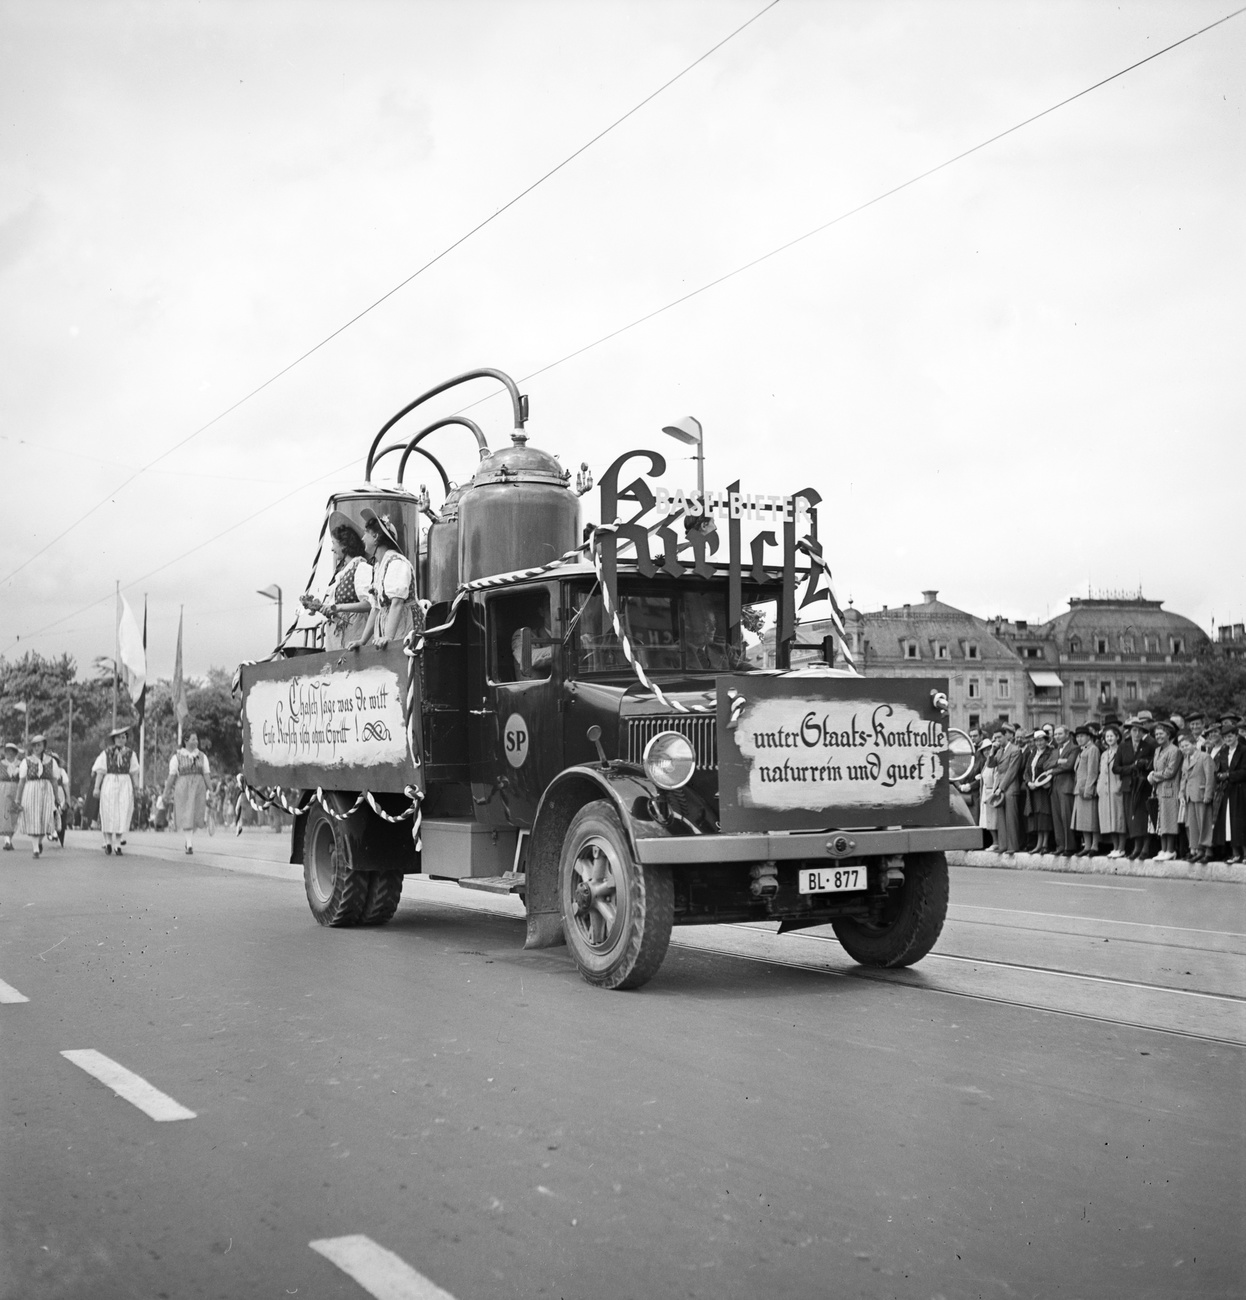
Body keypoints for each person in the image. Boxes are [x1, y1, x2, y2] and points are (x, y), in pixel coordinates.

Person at [304, 512, 372, 649]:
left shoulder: (361, 567)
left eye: (334, 543)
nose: (331, 549)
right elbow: (335, 606)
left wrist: (337, 608)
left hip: (355, 637)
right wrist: (319, 607)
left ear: (344, 545)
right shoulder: (342, 572)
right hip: (339, 639)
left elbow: (370, 604)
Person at [350, 508, 415, 650]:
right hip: (387, 629)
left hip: (403, 627)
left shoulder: (396, 563)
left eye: (366, 533)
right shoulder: (379, 567)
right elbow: (376, 608)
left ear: (376, 537)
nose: (362, 538)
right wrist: (362, 640)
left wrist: (389, 638)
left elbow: (397, 603)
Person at [91, 724, 140, 855]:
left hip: (124, 783)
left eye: (123, 737)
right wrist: (96, 788)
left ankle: (117, 844)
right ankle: (108, 842)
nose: (121, 740)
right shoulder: (106, 753)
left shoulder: (130, 754)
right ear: (113, 740)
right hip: (110, 781)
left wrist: (137, 787)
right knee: (108, 811)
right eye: (118, 738)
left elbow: (134, 772)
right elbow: (100, 771)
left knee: (122, 812)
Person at [1114, 717, 1155, 860]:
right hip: (1128, 786)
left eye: (1140, 731)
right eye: (1134, 730)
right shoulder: (1123, 746)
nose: (1137, 734)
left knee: (1143, 817)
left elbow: (1153, 764)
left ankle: (1145, 847)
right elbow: (1116, 768)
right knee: (1131, 818)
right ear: (1130, 732)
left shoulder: (1148, 746)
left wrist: (1144, 763)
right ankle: (1136, 847)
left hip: (1143, 785)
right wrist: (1131, 767)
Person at [165, 730, 210, 855]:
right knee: (186, 814)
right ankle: (189, 843)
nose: (196, 742)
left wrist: (211, 790)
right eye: (193, 739)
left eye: (196, 739)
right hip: (183, 788)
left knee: (195, 815)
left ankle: (188, 840)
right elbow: (172, 776)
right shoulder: (177, 757)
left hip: (198, 788)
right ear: (186, 740)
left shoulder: (202, 756)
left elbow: (206, 774)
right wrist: (165, 792)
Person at [16, 735, 61, 858]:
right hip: (31, 790)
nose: (36, 748)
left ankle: (39, 841)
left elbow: (54, 781)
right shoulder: (26, 761)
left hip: (46, 791)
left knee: (45, 819)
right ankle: (35, 848)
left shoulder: (51, 761)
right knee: (33, 818)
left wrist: (57, 797)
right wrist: (18, 799)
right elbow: (21, 781)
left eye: (39, 745)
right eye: (34, 745)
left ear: (44, 746)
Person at [1146, 719, 1183, 861]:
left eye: (1161, 734)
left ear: (1168, 734)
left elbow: (1170, 772)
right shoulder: (1157, 750)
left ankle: (1171, 849)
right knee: (1161, 820)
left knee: (1169, 820)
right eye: (1156, 734)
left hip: (1170, 789)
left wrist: (1153, 776)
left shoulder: (1175, 750)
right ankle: (1163, 849)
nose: (1158, 736)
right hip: (1159, 789)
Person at [1178, 731, 1215, 864]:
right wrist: (1181, 793)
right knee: (1193, 825)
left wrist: (1208, 794)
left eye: (1186, 745)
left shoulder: (1204, 757)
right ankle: (1199, 850)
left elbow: (1210, 777)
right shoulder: (1185, 759)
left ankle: (1209, 851)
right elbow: (1184, 778)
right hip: (1189, 796)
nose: (1184, 748)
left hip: (1201, 794)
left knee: (1204, 822)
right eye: (1182, 746)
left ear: (1194, 744)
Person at [992, 723, 1024, 855]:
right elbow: (990, 764)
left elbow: (1012, 771)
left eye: (999, 737)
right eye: (995, 738)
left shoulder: (1015, 750)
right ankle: (1003, 845)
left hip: (1009, 786)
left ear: (1006, 736)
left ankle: (1013, 845)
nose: (997, 740)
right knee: (1001, 818)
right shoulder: (999, 751)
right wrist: (992, 752)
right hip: (1000, 786)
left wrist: (1001, 787)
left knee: (1011, 817)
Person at [1096, 722, 1126, 857]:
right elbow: (1101, 772)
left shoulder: (1122, 751)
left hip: (1116, 788)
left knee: (1119, 818)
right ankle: (1115, 847)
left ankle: (1122, 847)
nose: (1109, 739)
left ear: (1117, 737)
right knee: (1109, 819)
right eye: (1107, 737)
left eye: (1112, 736)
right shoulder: (1104, 754)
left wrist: (1119, 785)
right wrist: (1099, 787)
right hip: (1105, 790)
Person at [1024, 728, 1055, 853]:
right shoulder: (1032, 754)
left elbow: (1048, 770)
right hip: (1033, 789)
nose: (1039, 743)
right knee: (1036, 816)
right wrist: (1028, 782)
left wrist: (1037, 783)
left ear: (1046, 741)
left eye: (1041, 740)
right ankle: (1038, 843)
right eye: (1037, 741)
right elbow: (1026, 771)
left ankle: (1045, 844)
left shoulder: (1050, 752)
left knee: (1044, 816)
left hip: (1043, 788)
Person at [1048, 725, 1078, 855]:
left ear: (1067, 734)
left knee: (1067, 817)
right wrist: (1058, 761)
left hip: (1066, 786)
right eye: (1055, 735)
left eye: (1059, 734)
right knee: (1057, 817)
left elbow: (1069, 765)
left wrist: (1053, 769)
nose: (1056, 737)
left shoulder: (1074, 748)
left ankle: (1069, 846)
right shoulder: (1055, 750)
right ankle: (1060, 845)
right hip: (1055, 786)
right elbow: (1045, 764)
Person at [1071, 724, 1100, 855]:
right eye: (1077, 737)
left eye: (1082, 736)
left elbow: (1092, 771)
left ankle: (1094, 845)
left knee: (1091, 818)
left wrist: (1088, 788)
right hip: (1079, 788)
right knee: (1083, 820)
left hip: (1087, 788)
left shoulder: (1092, 749)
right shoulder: (1083, 750)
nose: (1079, 739)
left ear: (1089, 737)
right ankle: (1087, 846)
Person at [1222, 719, 1246, 865]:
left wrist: (1228, 775)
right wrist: (1220, 775)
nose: (1228, 739)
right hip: (1228, 791)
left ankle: (1245, 853)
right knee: (1229, 822)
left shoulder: (1243, 750)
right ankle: (1235, 853)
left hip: (1241, 790)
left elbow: (1244, 771)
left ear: (1236, 736)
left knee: (1241, 822)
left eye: (1230, 736)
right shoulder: (1224, 751)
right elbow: (1220, 769)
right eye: (1225, 737)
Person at [977, 733, 1002, 850]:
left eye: (988, 749)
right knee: (987, 820)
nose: (986, 752)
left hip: (991, 793)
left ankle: (996, 842)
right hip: (985, 793)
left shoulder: (994, 762)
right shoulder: (985, 764)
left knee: (993, 819)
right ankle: (994, 842)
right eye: (984, 750)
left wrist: (992, 794)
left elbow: (997, 778)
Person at [0, 740, 20, 850]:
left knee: (14, 815)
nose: (8, 753)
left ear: (14, 752)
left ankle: (9, 839)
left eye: (11, 751)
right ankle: (7, 840)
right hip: (3, 789)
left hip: (16, 789)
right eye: (7, 751)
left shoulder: (20, 764)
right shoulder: (1, 764)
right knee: (5, 814)